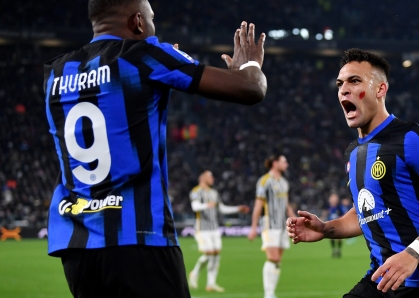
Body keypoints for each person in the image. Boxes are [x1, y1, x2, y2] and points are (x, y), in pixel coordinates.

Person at [43, 0, 267, 297]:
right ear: (137, 22)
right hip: (139, 240)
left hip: (76, 247)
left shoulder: (56, 74)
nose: (153, 28)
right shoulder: (145, 55)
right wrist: (249, 65)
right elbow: (252, 89)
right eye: (151, 19)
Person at [286, 49, 419, 298]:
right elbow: (364, 212)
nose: (343, 89)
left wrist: (412, 253)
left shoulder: (409, 137)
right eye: (340, 83)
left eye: (354, 81)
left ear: (380, 89)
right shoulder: (352, 154)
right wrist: (325, 229)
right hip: (382, 280)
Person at [188, 170, 250, 292]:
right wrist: (207, 205)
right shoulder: (196, 191)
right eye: (210, 176)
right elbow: (194, 207)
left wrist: (237, 209)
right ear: (203, 178)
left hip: (214, 228)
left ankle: (211, 284)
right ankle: (194, 273)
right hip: (202, 229)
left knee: (216, 254)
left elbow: (221, 209)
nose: (212, 179)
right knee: (209, 252)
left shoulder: (214, 193)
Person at [248, 155, 296, 298]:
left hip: (282, 225)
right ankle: (268, 294)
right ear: (275, 163)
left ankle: (271, 293)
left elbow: (286, 205)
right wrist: (253, 227)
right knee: (273, 258)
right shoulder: (264, 181)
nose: (286, 164)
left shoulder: (284, 182)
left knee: (278, 261)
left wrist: (295, 218)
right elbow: (258, 205)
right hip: (269, 224)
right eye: (284, 161)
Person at [326, 193, 344, 257]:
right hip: (330, 224)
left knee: (339, 238)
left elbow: (343, 215)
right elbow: (328, 215)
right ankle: (334, 250)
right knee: (331, 238)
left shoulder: (339, 207)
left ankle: (338, 250)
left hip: (338, 225)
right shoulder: (329, 207)